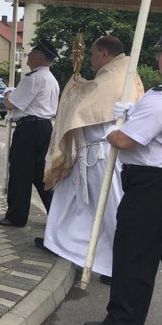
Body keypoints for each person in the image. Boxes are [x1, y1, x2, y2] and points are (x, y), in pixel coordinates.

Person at [82, 26, 162, 325]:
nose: (159, 58)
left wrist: (110, 127)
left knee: (134, 255)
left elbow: (124, 139)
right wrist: (133, 111)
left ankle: (124, 323)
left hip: (152, 187)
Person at [40, 36, 143, 278]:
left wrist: (75, 85)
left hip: (102, 157)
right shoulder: (124, 73)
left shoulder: (114, 77)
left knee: (111, 213)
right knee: (80, 209)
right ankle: (85, 255)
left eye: (95, 56)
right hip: (95, 156)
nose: (93, 62)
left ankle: (122, 265)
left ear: (105, 54)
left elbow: (83, 105)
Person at [0, 38, 60, 228]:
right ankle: (56, 213)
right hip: (44, 126)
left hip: (29, 128)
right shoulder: (51, 79)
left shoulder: (33, 78)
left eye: (32, 53)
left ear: (40, 57)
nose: (28, 55)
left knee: (20, 171)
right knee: (37, 173)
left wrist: (8, 92)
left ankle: (16, 215)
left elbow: (9, 104)